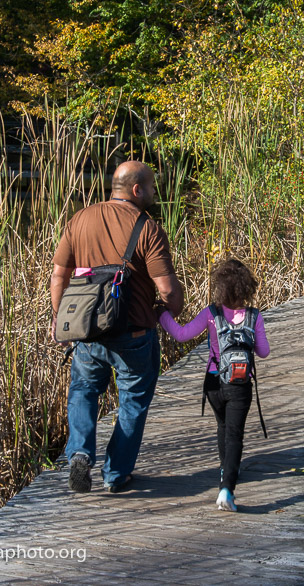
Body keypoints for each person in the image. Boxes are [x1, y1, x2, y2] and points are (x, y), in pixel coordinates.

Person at [50, 161, 184, 494]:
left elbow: (58, 275)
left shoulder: (79, 218)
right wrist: (170, 309)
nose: (155, 192)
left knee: (83, 392)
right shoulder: (147, 228)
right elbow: (167, 289)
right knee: (133, 402)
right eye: (152, 187)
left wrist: (61, 319)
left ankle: (81, 452)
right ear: (136, 190)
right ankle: (115, 473)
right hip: (134, 334)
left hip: (87, 332)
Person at [158, 259, 269, 511]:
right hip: (240, 384)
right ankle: (227, 489)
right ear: (246, 288)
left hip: (213, 383)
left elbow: (182, 334)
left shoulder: (211, 314)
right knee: (234, 435)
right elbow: (264, 352)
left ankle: (224, 468)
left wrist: (162, 315)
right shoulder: (254, 316)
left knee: (223, 426)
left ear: (220, 287)